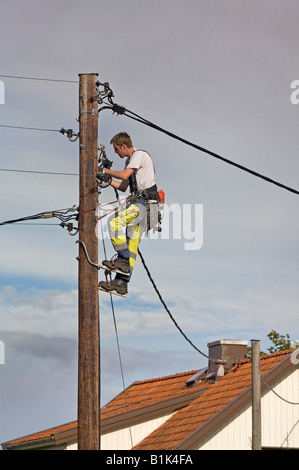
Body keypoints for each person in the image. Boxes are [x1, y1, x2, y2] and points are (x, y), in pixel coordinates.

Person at [98, 132, 159, 296]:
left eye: (117, 149)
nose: (116, 152)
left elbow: (124, 175)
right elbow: (124, 186)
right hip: (147, 207)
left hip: (145, 204)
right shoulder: (129, 161)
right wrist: (108, 180)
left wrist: (105, 171)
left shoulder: (139, 155)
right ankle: (121, 284)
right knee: (131, 246)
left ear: (124, 146)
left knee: (114, 223)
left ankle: (122, 260)